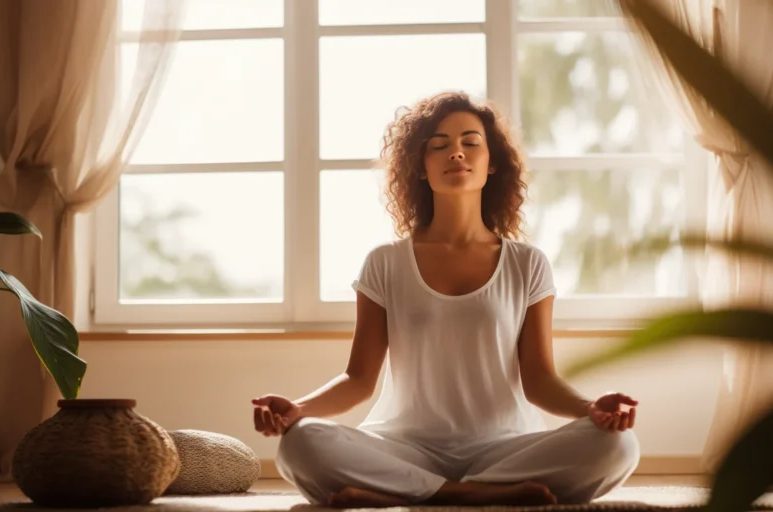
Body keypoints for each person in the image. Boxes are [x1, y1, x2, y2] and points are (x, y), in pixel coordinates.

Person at [251, 91, 640, 508]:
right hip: (403, 446)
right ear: (421, 167)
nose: (456, 152)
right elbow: (359, 380)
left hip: (506, 447)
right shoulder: (385, 262)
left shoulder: (527, 263)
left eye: (470, 142)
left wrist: (590, 409)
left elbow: (540, 381)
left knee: (618, 446)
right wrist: (298, 409)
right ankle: (468, 494)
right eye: (439, 145)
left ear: (492, 164)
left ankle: (407, 490)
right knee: (300, 443)